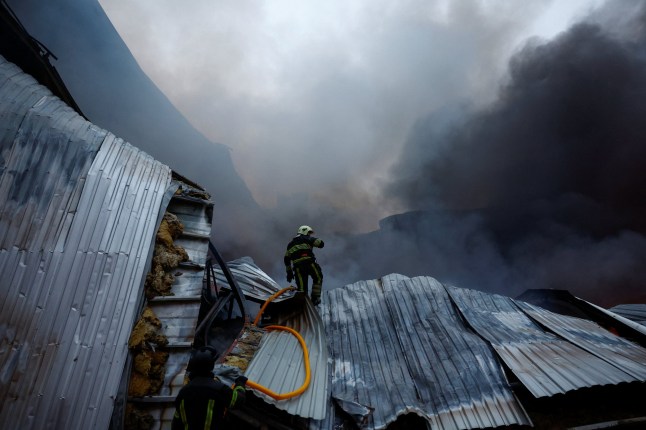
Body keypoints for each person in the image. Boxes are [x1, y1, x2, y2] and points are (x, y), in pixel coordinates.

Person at [172, 346, 247, 430]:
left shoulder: (183, 393)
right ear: (211, 367)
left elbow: (176, 423)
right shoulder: (218, 389)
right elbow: (238, 401)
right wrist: (240, 383)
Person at [284, 225, 325, 305]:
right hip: (309, 263)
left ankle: (302, 305)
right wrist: (313, 239)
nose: (309, 234)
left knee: (302, 289)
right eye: (309, 233)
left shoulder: (290, 244)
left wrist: (289, 272)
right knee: (318, 277)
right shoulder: (307, 238)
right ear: (304, 231)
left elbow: (286, 259)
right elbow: (321, 244)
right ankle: (315, 298)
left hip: (298, 267)